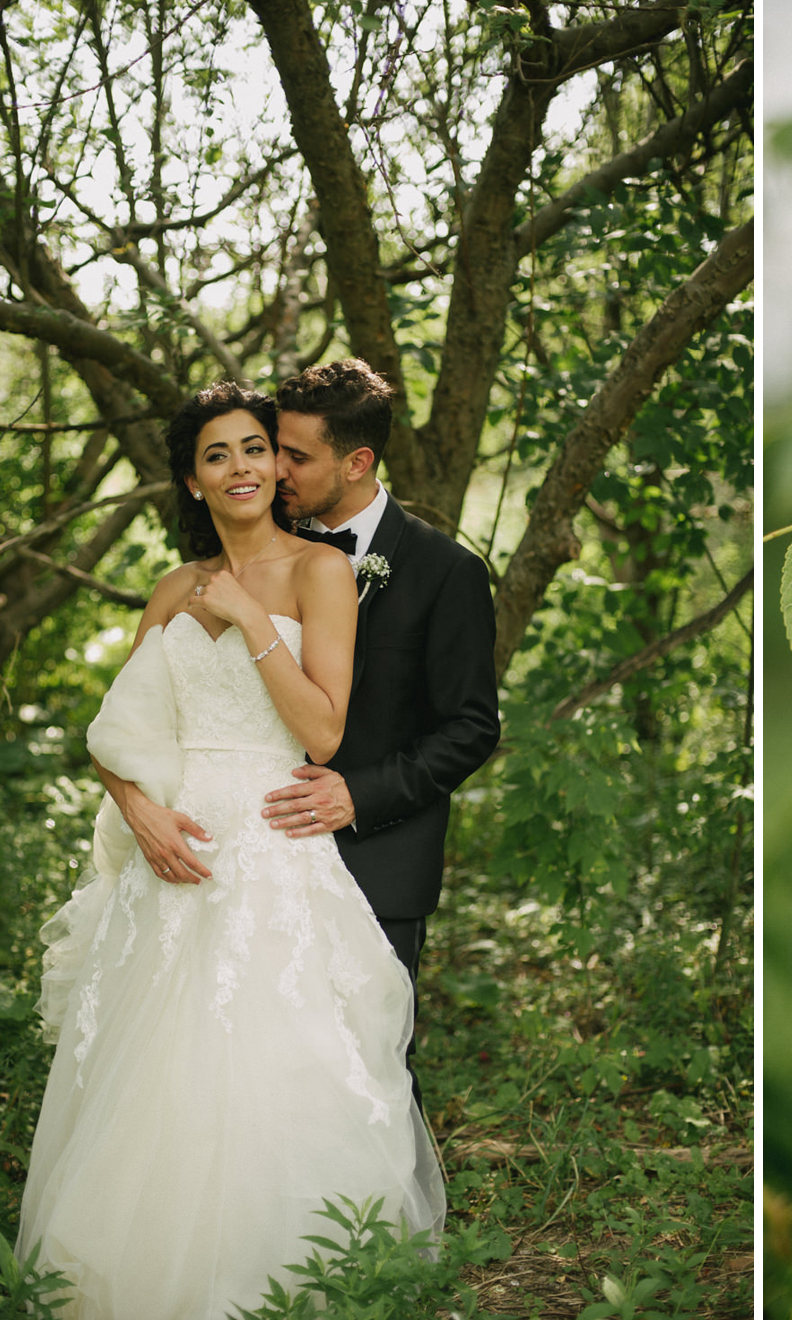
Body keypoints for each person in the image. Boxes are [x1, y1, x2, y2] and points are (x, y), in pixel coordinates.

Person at [17, 383, 444, 1319]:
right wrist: (139, 813)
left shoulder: (320, 572)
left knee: (270, 1056)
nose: (244, 466)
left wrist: (254, 623)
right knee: (149, 1072)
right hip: (171, 853)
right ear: (192, 477)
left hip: (269, 842)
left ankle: (279, 1283)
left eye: (257, 448)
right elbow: (116, 733)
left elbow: (323, 732)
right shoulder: (171, 588)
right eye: (220, 454)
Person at [261, 360, 499, 1103]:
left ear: (357, 462)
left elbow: (470, 727)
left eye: (296, 455)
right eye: (276, 448)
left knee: (366, 1064)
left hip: (379, 858)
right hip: (259, 847)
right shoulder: (258, 552)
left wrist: (359, 796)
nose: (277, 469)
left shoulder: (443, 571)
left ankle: (379, 1221)